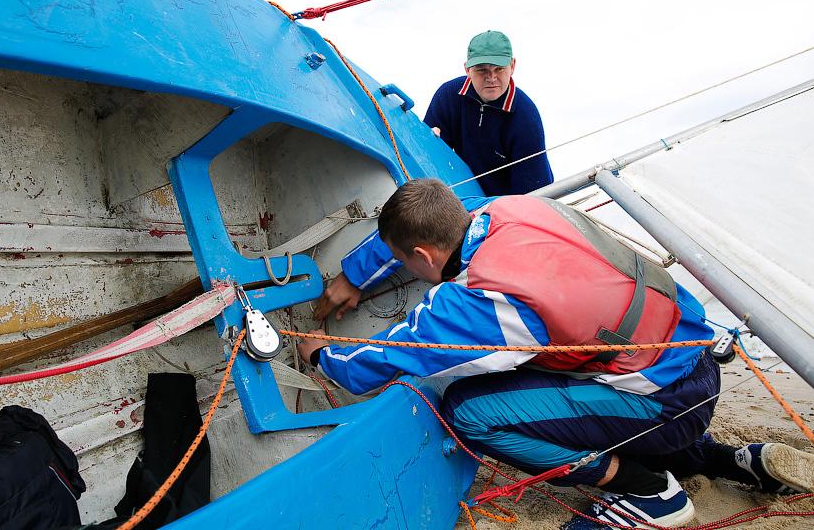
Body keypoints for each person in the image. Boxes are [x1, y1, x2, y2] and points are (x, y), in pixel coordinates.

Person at [300, 179, 814, 530]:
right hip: (694, 355)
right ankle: (736, 462)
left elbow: (397, 354)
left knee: (470, 411)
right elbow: (425, 215)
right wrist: (356, 275)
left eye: (403, 260)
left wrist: (323, 357)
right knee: (585, 378)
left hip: (665, 403)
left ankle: (649, 493)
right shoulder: (510, 208)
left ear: (421, 256)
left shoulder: (480, 302)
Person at [424, 30, 553, 196]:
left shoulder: (526, 117)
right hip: (458, 195)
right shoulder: (448, 96)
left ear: (512, 66)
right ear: (467, 69)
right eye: (482, 70)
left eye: (499, 69)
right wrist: (430, 142)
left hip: (508, 203)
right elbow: (426, 159)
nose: (491, 78)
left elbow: (534, 193)